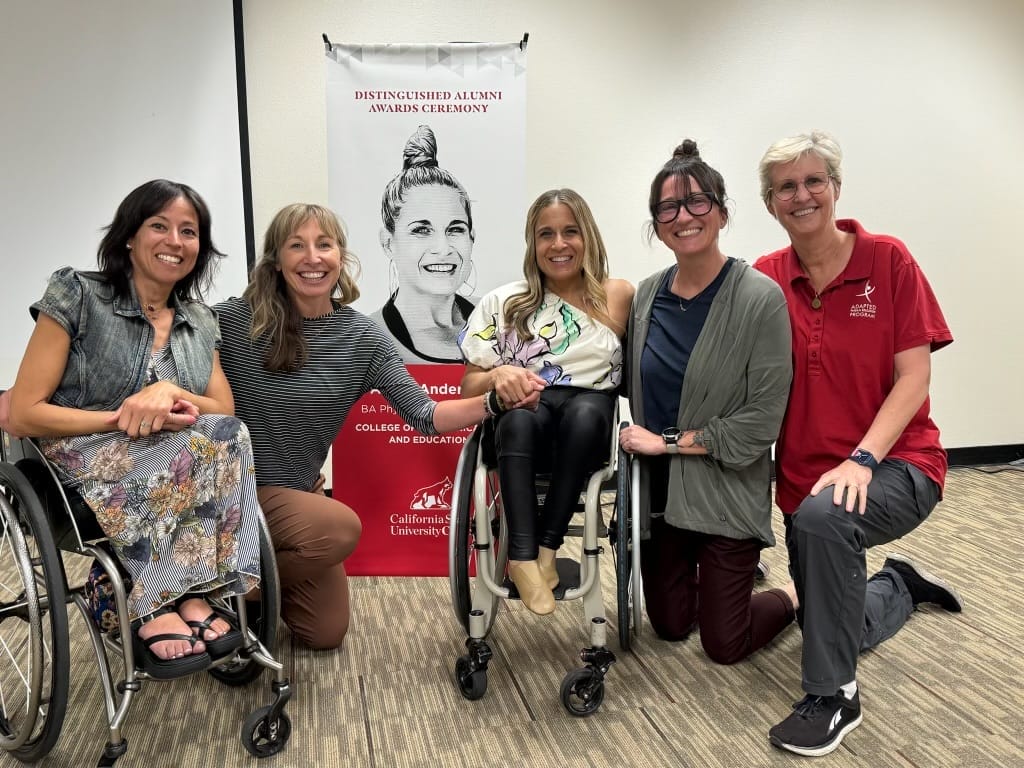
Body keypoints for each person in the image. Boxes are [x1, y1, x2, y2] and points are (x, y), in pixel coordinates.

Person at [215, 203, 531, 650]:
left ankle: (235, 590)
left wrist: (492, 400)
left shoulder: (363, 337)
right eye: (296, 246)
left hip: (295, 499)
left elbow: (426, 416)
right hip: (235, 493)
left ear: (340, 256)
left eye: (324, 244)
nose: (312, 257)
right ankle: (231, 590)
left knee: (325, 633)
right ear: (275, 260)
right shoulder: (234, 320)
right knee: (341, 528)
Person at [754, 130, 962, 757]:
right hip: (805, 482)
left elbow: (915, 374)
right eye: (786, 186)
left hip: (898, 463)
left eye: (814, 181)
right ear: (771, 203)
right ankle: (898, 585)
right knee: (830, 617)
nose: (802, 195)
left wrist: (863, 458)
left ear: (836, 188)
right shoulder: (766, 279)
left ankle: (835, 697)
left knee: (825, 524)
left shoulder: (889, 260)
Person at [3, 180, 260, 679]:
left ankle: (197, 591)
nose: (175, 241)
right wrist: (124, 417)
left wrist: (169, 391)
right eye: (159, 226)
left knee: (229, 432)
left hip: (168, 452)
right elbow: (23, 412)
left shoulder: (199, 319)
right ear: (129, 236)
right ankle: (154, 602)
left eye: (189, 231)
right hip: (77, 452)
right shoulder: (78, 294)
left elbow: (220, 406)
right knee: (179, 448)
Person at [617, 140, 795, 663]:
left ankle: (792, 593)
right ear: (656, 223)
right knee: (671, 627)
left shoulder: (760, 299)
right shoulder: (646, 296)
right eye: (667, 208)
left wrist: (666, 443)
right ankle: (722, 579)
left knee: (725, 644)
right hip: (661, 500)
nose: (683, 217)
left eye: (697, 202)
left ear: (721, 210)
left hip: (724, 492)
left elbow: (759, 425)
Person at [458, 188, 634, 615]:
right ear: (532, 244)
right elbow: (468, 387)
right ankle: (522, 557)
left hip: (588, 424)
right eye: (546, 234)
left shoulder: (618, 295)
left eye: (570, 231)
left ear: (588, 236)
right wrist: (497, 374)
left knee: (588, 413)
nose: (559, 244)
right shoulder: (505, 302)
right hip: (524, 421)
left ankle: (547, 552)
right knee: (517, 420)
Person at [370, 124, 477, 363]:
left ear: (471, 237)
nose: (443, 248)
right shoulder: (369, 339)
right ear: (388, 243)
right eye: (421, 230)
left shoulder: (498, 320)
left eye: (455, 229)